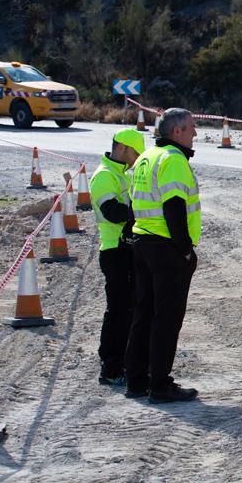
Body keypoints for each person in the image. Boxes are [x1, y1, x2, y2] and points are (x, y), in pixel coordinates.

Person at [125, 108, 202, 402]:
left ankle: (136, 380)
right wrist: (184, 250)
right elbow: (173, 208)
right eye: (192, 127)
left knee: (144, 314)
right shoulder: (173, 160)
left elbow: (133, 203)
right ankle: (159, 384)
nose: (195, 133)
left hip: (143, 243)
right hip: (166, 249)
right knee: (166, 319)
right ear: (177, 132)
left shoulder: (146, 157)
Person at [90, 128, 145, 386]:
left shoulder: (121, 174)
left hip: (126, 250)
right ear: (122, 148)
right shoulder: (103, 176)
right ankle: (111, 368)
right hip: (114, 251)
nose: (136, 160)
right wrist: (142, 210)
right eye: (134, 154)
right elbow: (113, 212)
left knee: (128, 310)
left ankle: (122, 362)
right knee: (118, 312)